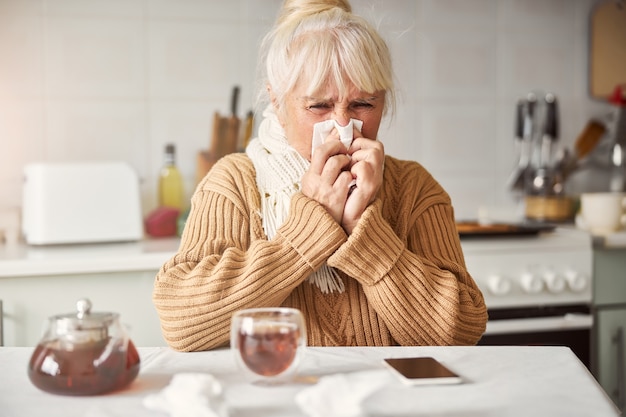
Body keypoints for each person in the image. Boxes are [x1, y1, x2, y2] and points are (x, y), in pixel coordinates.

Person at [153, 0, 487, 352]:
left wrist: (363, 229)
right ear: (277, 104)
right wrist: (312, 225)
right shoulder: (235, 182)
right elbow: (180, 323)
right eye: (318, 106)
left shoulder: (414, 187)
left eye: (363, 104)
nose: (343, 126)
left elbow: (460, 333)